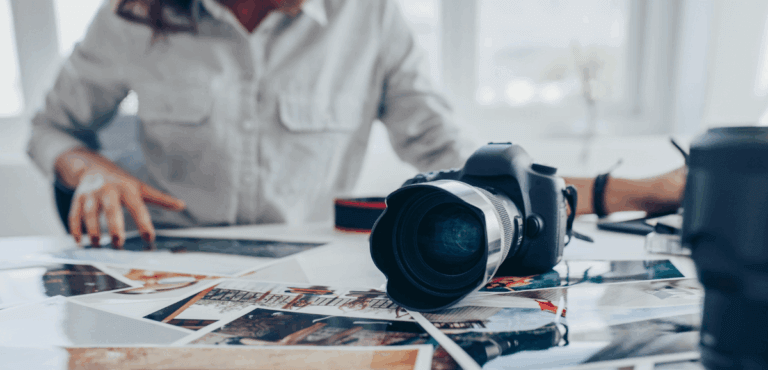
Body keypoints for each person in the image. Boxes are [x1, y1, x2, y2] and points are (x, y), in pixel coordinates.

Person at [27, 0, 686, 249]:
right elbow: (50, 128)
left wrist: (644, 192)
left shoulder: (370, 19)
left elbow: (466, 162)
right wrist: (89, 169)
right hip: (162, 262)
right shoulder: (131, 18)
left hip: (298, 272)